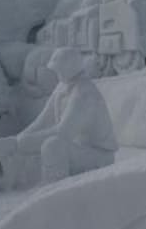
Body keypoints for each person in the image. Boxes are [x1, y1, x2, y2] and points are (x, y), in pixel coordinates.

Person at [16, 47, 116, 183]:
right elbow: (43, 120)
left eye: (58, 69)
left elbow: (63, 133)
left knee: (53, 146)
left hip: (98, 155)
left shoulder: (84, 93)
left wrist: (25, 143)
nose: (56, 74)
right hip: (79, 148)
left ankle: (55, 192)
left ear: (69, 68)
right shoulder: (63, 85)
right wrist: (18, 139)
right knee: (38, 146)